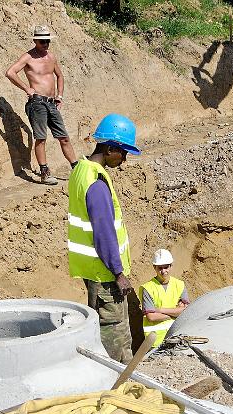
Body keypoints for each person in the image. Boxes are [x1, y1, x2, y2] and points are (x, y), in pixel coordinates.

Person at [67, 114, 140, 363]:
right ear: (110, 149)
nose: (125, 158)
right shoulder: (96, 182)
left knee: (103, 331)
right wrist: (119, 273)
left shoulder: (80, 170)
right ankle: (119, 388)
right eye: (123, 152)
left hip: (93, 271)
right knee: (116, 341)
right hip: (106, 275)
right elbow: (104, 232)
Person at [5, 25, 77, 185]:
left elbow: (60, 76)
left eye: (47, 41)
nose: (45, 44)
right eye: (42, 41)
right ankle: (44, 173)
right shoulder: (28, 57)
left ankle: (77, 169)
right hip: (37, 102)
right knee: (41, 138)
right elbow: (10, 72)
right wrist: (26, 88)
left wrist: (60, 96)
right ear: (35, 40)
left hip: (51, 103)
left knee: (64, 138)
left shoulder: (51, 57)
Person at [139, 249, 190, 348]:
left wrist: (159, 310)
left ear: (171, 266)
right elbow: (151, 317)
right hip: (155, 341)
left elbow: (186, 312)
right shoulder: (148, 288)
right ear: (154, 267)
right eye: (160, 268)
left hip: (176, 337)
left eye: (166, 267)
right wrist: (175, 314)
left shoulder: (179, 285)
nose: (163, 271)